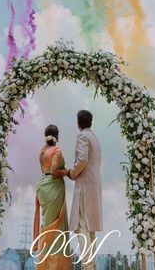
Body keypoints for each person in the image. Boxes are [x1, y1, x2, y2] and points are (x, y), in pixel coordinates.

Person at [33, 124, 71, 270]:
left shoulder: (42, 152)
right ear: (57, 136)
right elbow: (54, 171)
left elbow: (45, 170)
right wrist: (67, 172)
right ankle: (52, 266)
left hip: (43, 186)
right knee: (55, 228)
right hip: (53, 188)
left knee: (47, 224)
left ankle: (45, 263)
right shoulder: (57, 151)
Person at [68, 110, 103, 270]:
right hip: (95, 184)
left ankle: (88, 266)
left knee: (81, 227)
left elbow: (82, 159)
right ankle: (92, 265)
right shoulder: (95, 138)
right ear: (91, 122)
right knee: (90, 228)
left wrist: (71, 173)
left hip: (84, 186)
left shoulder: (82, 136)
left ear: (78, 123)